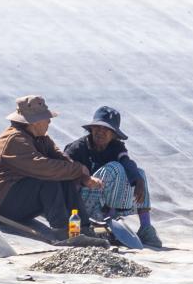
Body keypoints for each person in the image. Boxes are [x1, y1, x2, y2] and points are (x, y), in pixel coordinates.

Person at [0, 95, 105, 242]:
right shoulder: (14, 139)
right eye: (46, 118)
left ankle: (82, 228)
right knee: (49, 180)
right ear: (34, 122)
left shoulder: (41, 138)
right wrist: (78, 169)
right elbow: (43, 167)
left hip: (19, 197)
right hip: (0, 202)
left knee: (65, 176)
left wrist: (83, 176)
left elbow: (61, 158)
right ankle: (62, 232)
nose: (49, 121)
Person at [65, 106, 161, 247]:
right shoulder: (77, 148)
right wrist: (84, 179)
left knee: (138, 172)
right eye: (97, 128)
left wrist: (138, 181)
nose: (101, 133)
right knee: (113, 168)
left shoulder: (116, 147)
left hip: (104, 201)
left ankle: (145, 227)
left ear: (113, 134)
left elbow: (127, 162)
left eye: (107, 130)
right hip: (80, 204)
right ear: (91, 129)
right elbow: (64, 172)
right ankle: (102, 222)